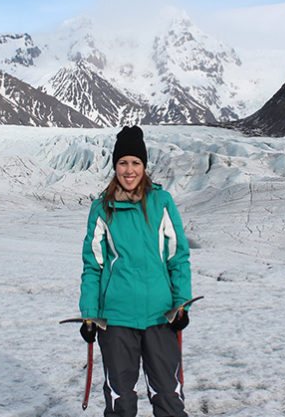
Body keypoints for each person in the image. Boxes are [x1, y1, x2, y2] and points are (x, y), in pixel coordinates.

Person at [79, 125, 192, 417]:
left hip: (160, 316)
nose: (129, 170)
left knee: (168, 397)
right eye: (123, 163)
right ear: (115, 166)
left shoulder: (161, 203)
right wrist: (90, 313)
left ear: (144, 166)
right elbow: (93, 265)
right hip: (116, 319)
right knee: (120, 402)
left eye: (135, 163)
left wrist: (181, 303)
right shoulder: (101, 209)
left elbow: (177, 257)